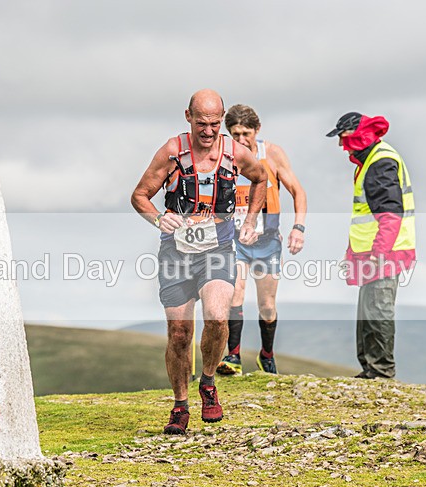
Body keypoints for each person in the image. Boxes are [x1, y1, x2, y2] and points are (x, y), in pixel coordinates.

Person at [131, 89, 268, 434]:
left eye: (215, 123)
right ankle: (180, 405)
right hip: (176, 251)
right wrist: (158, 218)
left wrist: (250, 220)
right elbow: (139, 195)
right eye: (202, 123)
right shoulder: (172, 151)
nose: (208, 131)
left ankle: (208, 382)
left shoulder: (234, 152)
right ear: (188, 116)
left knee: (218, 318)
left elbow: (261, 178)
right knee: (180, 333)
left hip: (217, 248)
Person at [216, 104, 307, 376]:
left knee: (267, 306)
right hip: (235, 240)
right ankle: (232, 356)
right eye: (235, 134)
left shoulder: (273, 154)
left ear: (257, 130)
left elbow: (298, 192)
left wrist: (298, 228)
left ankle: (266, 355)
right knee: (235, 294)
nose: (241, 140)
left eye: (246, 133)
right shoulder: (225, 156)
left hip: (267, 241)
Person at [327, 112, 416, 379]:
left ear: (358, 137)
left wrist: (379, 252)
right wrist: (353, 251)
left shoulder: (380, 161)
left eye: (345, 139)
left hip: (385, 252)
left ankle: (381, 371)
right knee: (368, 311)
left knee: (378, 310)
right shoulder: (370, 161)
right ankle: (370, 368)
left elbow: (390, 213)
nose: (342, 147)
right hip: (371, 251)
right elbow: (365, 215)